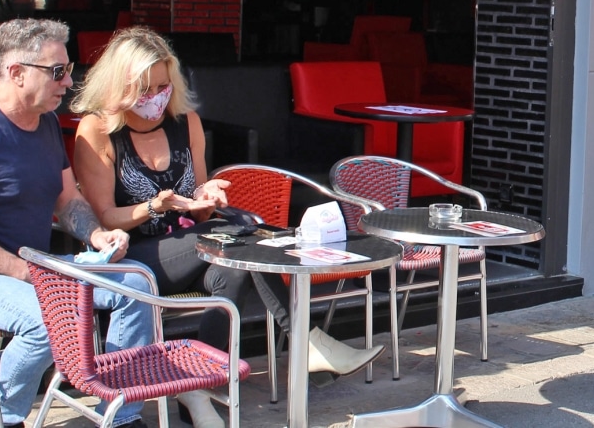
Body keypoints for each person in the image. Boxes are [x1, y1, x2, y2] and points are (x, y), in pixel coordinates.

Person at [71, 28, 372, 425]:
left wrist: (207, 195)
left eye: (163, 86)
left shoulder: (186, 123)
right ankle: (309, 342)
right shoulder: (96, 130)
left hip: (192, 249)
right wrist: (153, 206)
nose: (156, 98)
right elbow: (105, 217)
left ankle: (198, 387)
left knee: (235, 268)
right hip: (132, 260)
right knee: (242, 237)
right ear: (120, 86)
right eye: (145, 89)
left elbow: (198, 211)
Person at [0, 19, 154, 428]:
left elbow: (67, 200)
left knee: (137, 284)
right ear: (16, 72)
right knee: (51, 319)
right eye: (57, 71)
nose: (67, 82)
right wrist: (25, 271)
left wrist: (98, 235)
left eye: (68, 69)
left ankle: (120, 414)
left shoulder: (46, 123)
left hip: (35, 268)